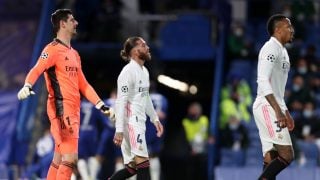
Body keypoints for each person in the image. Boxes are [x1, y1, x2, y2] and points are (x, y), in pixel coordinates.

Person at [16, 9, 114, 180]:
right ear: (63, 24)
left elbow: (83, 84)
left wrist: (101, 105)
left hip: (73, 110)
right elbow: (36, 69)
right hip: (60, 108)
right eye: (72, 20)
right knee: (70, 159)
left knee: (60, 157)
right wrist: (27, 85)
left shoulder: (74, 54)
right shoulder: (51, 50)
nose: (76, 23)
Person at [110, 36, 164, 180]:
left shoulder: (144, 71)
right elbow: (120, 101)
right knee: (144, 165)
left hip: (139, 122)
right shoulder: (127, 72)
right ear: (134, 52)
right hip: (131, 123)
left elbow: (145, 98)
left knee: (131, 169)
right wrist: (120, 130)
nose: (147, 47)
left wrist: (155, 119)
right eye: (143, 45)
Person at [252, 14, 295, 180]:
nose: (292, 30)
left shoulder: (283, 51)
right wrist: (277, 111)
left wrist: (286, 111)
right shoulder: (270, 48)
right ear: (277, 30)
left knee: (271, 156)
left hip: (272, 105)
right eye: (288, 27)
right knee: (287, 154)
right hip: (266, 106)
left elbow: (278, 88)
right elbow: (262, 80)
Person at [182, 102, 209, 180]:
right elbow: (183, 138)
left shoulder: (204, 120)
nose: (193, 112)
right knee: (190, 172)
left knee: (201, 171)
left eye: (195, 110)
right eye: (192, 110)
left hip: (202, 150)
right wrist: (190, 149)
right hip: (191, 151)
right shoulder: (185, 122)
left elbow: (208, 133)